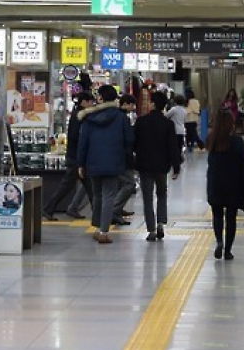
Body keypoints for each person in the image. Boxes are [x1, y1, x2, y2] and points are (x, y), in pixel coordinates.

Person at [78, 85, 134, 244]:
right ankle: (103, 231)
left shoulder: (89, 117)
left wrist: (81, 163)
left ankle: (97, 228)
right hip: (114, 161)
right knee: (109, 195)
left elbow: (83, 143)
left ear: (100, 98)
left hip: (93, 162)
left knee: (97, 194)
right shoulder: (122, 117)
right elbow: (129, 139)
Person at [133, 91, 182, 241]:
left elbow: (134, 143)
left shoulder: (141, 122)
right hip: (162, 166)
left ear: (153, 104)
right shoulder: (168, 124)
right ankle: (161, 223)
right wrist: (176, 166)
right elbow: (173, 146)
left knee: (147, 198)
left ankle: (151, 230)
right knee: (162, 194)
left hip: (144, 165)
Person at [206, 108, 244, 260]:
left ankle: (219, 240)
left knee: (217, 215)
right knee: (231, 218)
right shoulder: (237, 142)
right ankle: (228, 250)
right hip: (234, 184)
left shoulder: (211, 139)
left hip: (215, 183)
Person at [43, 92, 94, 221]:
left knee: (88, 187)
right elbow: (78, 137)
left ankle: (69, 209)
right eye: (90, 102)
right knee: (71, 186)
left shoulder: (78, 113)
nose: (92, 104)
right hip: (76, 158)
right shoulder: (80, 115)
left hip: (75, 156)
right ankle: (49, 209)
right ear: (84, 102)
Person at [112, 94, 138, 225]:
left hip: (114, 156)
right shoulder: (123, 118)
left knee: (120, 184)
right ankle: (114, 210)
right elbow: (129, 139)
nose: (133, 107)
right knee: (130, 184)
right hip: (123, 157)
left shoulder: (114, 116)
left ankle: (118, 209)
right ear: (126, 103)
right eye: (132, 105)